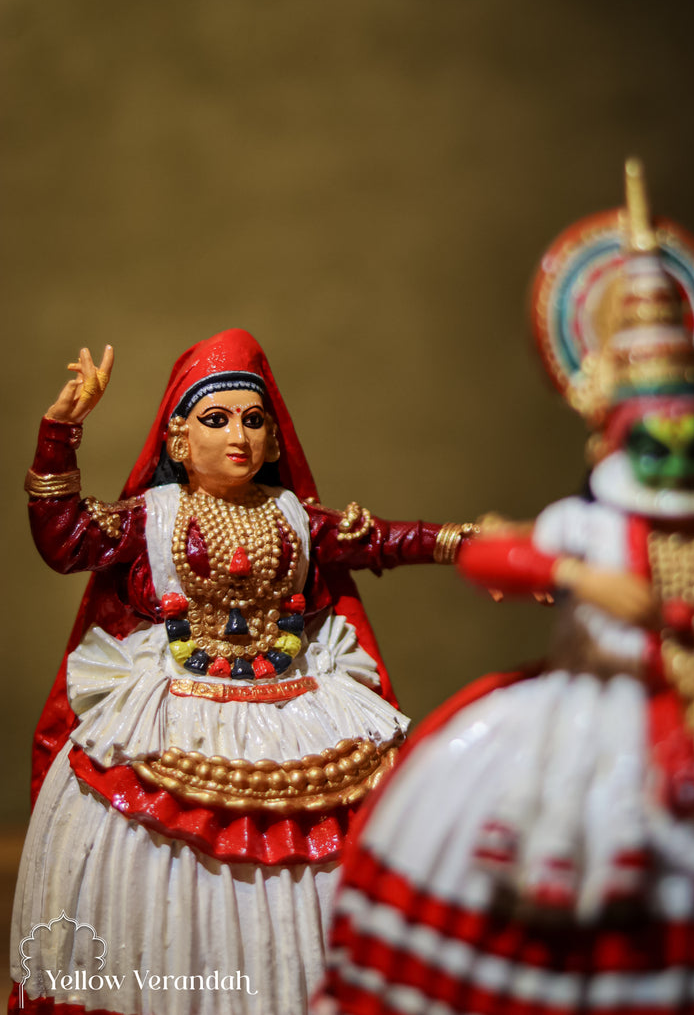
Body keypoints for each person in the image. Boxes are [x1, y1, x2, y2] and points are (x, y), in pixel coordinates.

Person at [316, 162, 694, 1014]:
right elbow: (491, 558)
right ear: (611, 437)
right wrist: (577, 576)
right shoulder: (596, 525)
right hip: (601, 713)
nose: (678, 458)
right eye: (655, 442)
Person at [11, 328, 473, 1015]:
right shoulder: (152, 518)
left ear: (276, 438)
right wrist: (61, 431)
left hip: (297, 710)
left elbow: (378, 537)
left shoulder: (293, 518)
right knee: (154, 858)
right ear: (177, 438)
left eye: (254, 420)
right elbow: (66, 538)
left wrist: (464, 545)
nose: (239, 435)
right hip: (168, 714)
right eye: (216, 418)